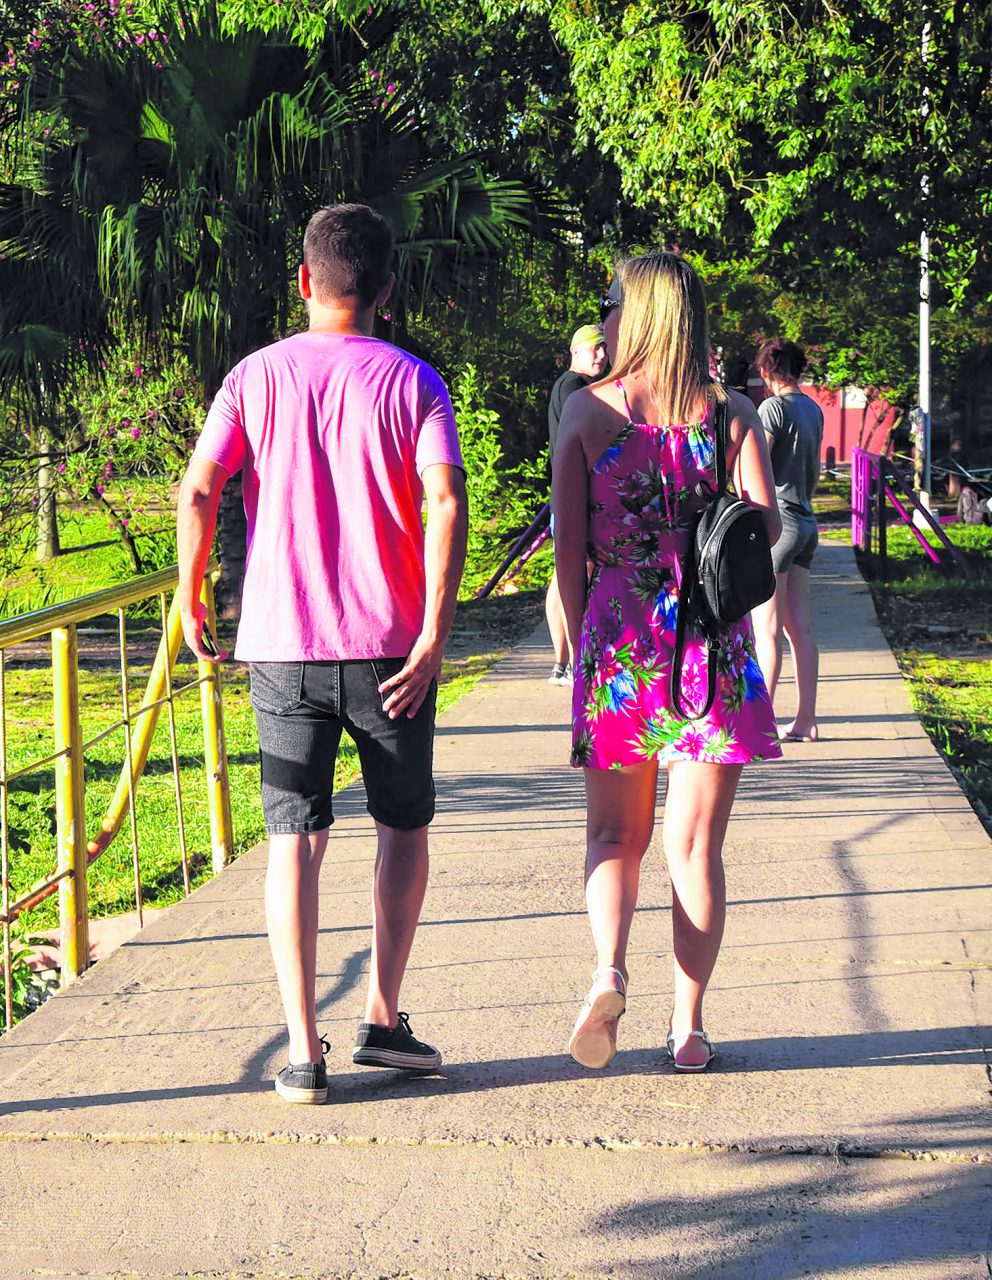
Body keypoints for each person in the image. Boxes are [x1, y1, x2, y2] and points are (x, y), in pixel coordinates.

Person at [176, 203, 468, 1104]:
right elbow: (446, 501)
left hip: (282, 648)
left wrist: (188, 591)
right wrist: (436, 629)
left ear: (304, 281)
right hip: (393, 652)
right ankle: (382, 1016)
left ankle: (304, 1053)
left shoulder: (253, 377)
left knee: (293, 843)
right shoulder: (415, 381)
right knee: (402, 828)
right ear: (387, 289)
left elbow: (199, 491)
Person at [552, 252, 782, 1074]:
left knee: (614, 835)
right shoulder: (731, 414)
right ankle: (688, 1027)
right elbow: (767, 530)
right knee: (695, 850)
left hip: (621, 645)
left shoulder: (586, 413)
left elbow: (568, 551)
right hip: (711, 644)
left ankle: (608, 973)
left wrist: (582, 645)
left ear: (637, 310)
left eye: (610, 300)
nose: (606, 313)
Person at [749, 338, 824, 743]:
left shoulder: (772, 409)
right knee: (801, 629)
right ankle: (806, 720)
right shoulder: (812, 409)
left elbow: (757, 464)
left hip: (780, 524)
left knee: (767, 629)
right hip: (808, 523)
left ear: (766, 371)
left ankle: (761, 724)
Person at [545, 324, 608, 686]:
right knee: (571, 576)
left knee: (562, 576)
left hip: (566, 494)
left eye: (604, 348)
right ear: (575, 352)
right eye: (594, 349)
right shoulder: (575, 389)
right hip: (573, 496)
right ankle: (569, 661)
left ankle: (563, 664)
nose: (601, 355)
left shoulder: (571, 387)